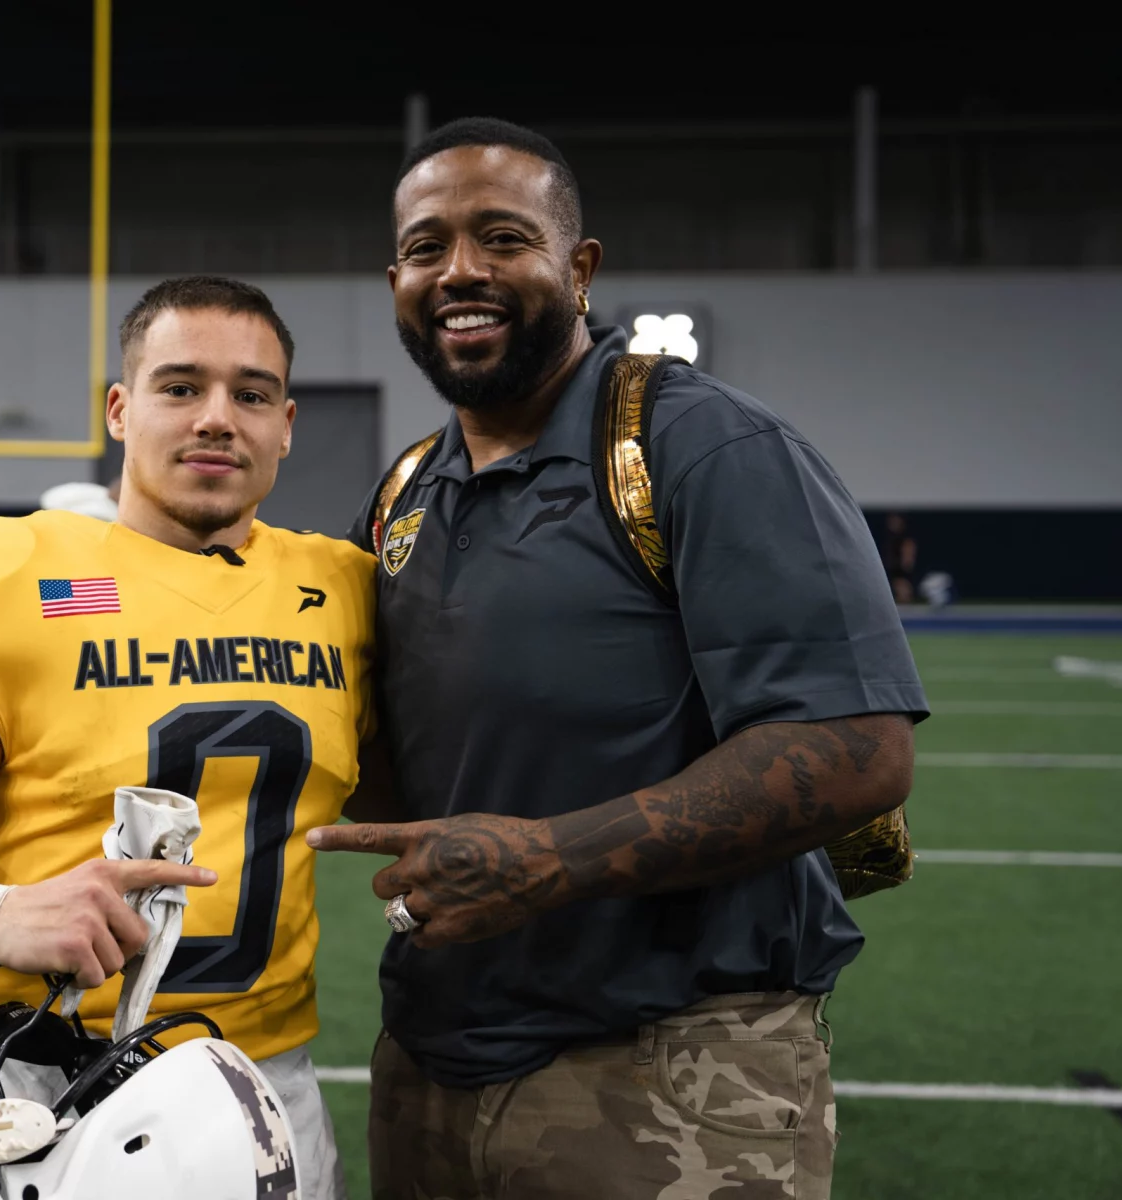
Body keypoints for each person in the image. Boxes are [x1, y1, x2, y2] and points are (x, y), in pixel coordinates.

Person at [308, 118, 928, 1200]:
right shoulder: (406, 490)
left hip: (670, 1067)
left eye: (502, 238)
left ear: (578, 267)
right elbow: (402, 766)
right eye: (427, 246)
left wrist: (550, 858)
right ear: (395, 276)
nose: (461, 271)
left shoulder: (708, 448)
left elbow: (852, 747)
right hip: (434, 1059)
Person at [0, 276, 379, 1199]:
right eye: (181, 388)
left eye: (251, 394)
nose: (218, 418)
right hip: (50, 1093)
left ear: (286, 424)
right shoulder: (17, 581)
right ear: (120, 408)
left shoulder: (347, 594)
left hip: (267, 1089)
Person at [882, 512, 918, 604]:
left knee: (902, 589)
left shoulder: (906, 539)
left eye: (895, 521)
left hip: (901, 573)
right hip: (892, 572)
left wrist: (905, 569)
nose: (893, 524)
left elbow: (908, 561)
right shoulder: (889, 539)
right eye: (891, 521)